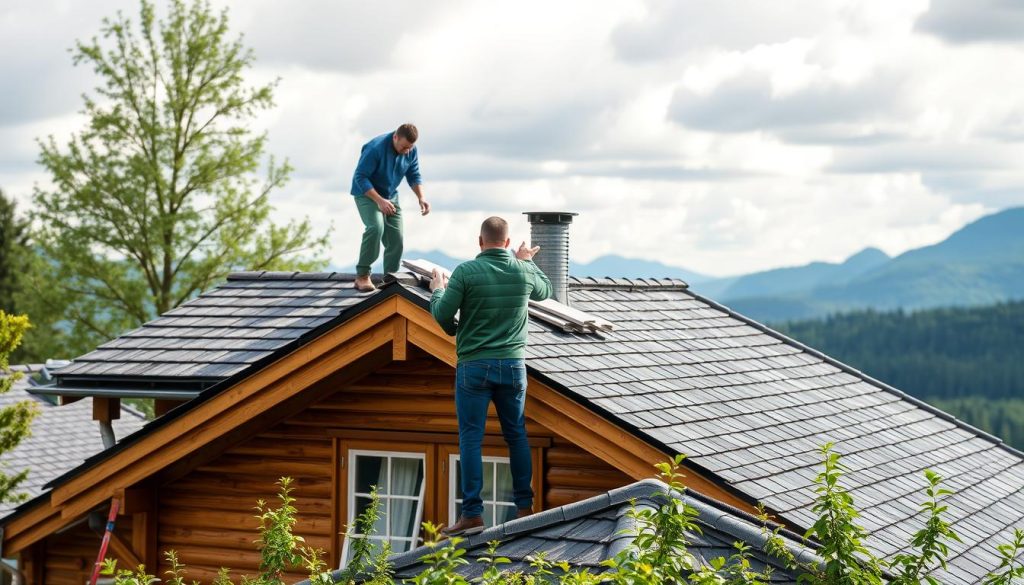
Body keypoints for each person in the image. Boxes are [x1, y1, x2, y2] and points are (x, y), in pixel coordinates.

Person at [428, 216, 553, 536]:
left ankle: (472, 515)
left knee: (471, 438)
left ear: (480, 241)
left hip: (474, 366)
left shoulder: (467, 272)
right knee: (517, 435)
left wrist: (437, 290)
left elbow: (443, 316)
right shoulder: (523, 269)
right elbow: (546, 290)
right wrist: (526, 262)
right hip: (512, 367)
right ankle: (525, 508)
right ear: (508, 243)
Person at [350, 123, 431, 292]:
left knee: (396, 237)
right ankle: (363, 275)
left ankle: (390, 279)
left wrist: (421, 197)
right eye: (404, 147)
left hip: (390, 195)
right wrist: (379, 201)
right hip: (366, 193)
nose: (407, 151)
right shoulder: (375, 148)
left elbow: (414, 174)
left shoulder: (410, 150)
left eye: (410, 147)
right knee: (375, 227)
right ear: (395, 137)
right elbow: (360, 177)